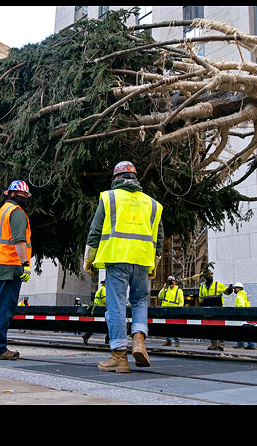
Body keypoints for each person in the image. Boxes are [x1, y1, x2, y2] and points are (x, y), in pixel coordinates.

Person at [84, 160, 164, 373]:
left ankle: (119, 357)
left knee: (117, 306)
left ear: (116, 179)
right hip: (142, 261)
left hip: (117, 259)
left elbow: (95, 231)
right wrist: (154, 263)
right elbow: (160, 237)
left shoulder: (110, 198)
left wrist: (88, 259)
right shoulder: (152, 204)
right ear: (136, 179)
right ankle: (138, 339)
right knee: (139, 301)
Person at [0, 180, 33, 360]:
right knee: (4, 309)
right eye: (25, 195)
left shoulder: (0, 213)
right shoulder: (17, 213)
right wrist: (25, 264)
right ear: (13, 194)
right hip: (9, 267)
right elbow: (19, 241)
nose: (26, 198)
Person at [198, 267, 232, 350]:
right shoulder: (202, 287)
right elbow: (200, 299)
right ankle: (214, 344)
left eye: (211, 274)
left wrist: (230, 289)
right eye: (208, 274)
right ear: (205, 276)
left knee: (219, 327)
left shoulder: (217, 284)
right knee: (211, 328)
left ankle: (221, 344)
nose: (210, 276)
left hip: (218, 309)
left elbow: (227, 292)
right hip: (208, 310)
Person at [158, 275, 184, 347]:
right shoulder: (166, 290)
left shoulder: (179, 291)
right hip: (166, 310)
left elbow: (181, 301)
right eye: (169, 281)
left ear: (175, 282)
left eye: (172, 281)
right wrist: (163, 288)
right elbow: (160, 296)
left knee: (175, 326)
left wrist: (179, 310)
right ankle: (168, 341)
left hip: (174, 310)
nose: (171, 283)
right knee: (167, 326)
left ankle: (177, 341)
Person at [82, 280, 109, 345]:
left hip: (98, 309)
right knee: (111, 324)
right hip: (102, 310)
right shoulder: (104, 290)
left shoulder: (101, 289)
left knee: (96, 325)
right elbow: (106, 300)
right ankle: (107, 340)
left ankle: (86, 335)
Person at [232, 282, 256, 350]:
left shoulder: (240, 295)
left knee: (244, 329)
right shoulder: (243, 294)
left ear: (238, 288)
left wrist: (238, 312)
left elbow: (241, 305)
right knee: (243, 329)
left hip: (242, 314)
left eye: (235, 288)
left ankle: (249, 344)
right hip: (246, 313)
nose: (234, 290)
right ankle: (242, 343)